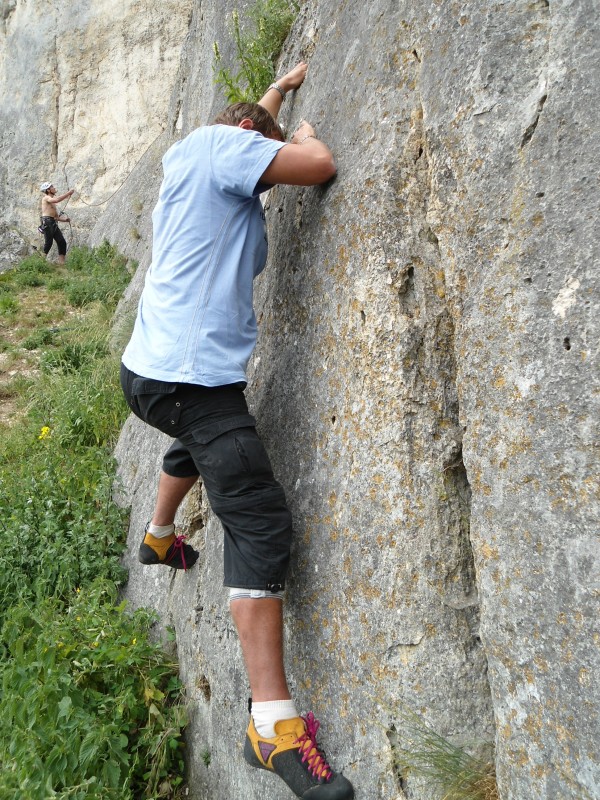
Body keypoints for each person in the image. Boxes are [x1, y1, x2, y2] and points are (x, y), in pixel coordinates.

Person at [120, 62, 354, 799]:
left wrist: (280, 90)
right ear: (250, 137)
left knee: (202, 443)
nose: (264, 182)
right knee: (256, 517)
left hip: (160, 373)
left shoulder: (202, 156)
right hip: (189, 375)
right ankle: (272, 725)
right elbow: (314, 166)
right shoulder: (224, 148)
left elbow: (253, 122)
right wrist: (307, 132)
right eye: (264, 155)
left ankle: (160, 537)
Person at [39, 182, 74, 265]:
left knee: (62, 242)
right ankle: (40, 262)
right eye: (52, 187)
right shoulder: (46, 198)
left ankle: (61, 264)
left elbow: (56, 217)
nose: (54, 188)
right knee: (49, 243)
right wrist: (68, 193)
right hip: (47, 222)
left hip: (52, 222)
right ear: (48, 190)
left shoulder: (52, 203)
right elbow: (57, 199)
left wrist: (65, 220)